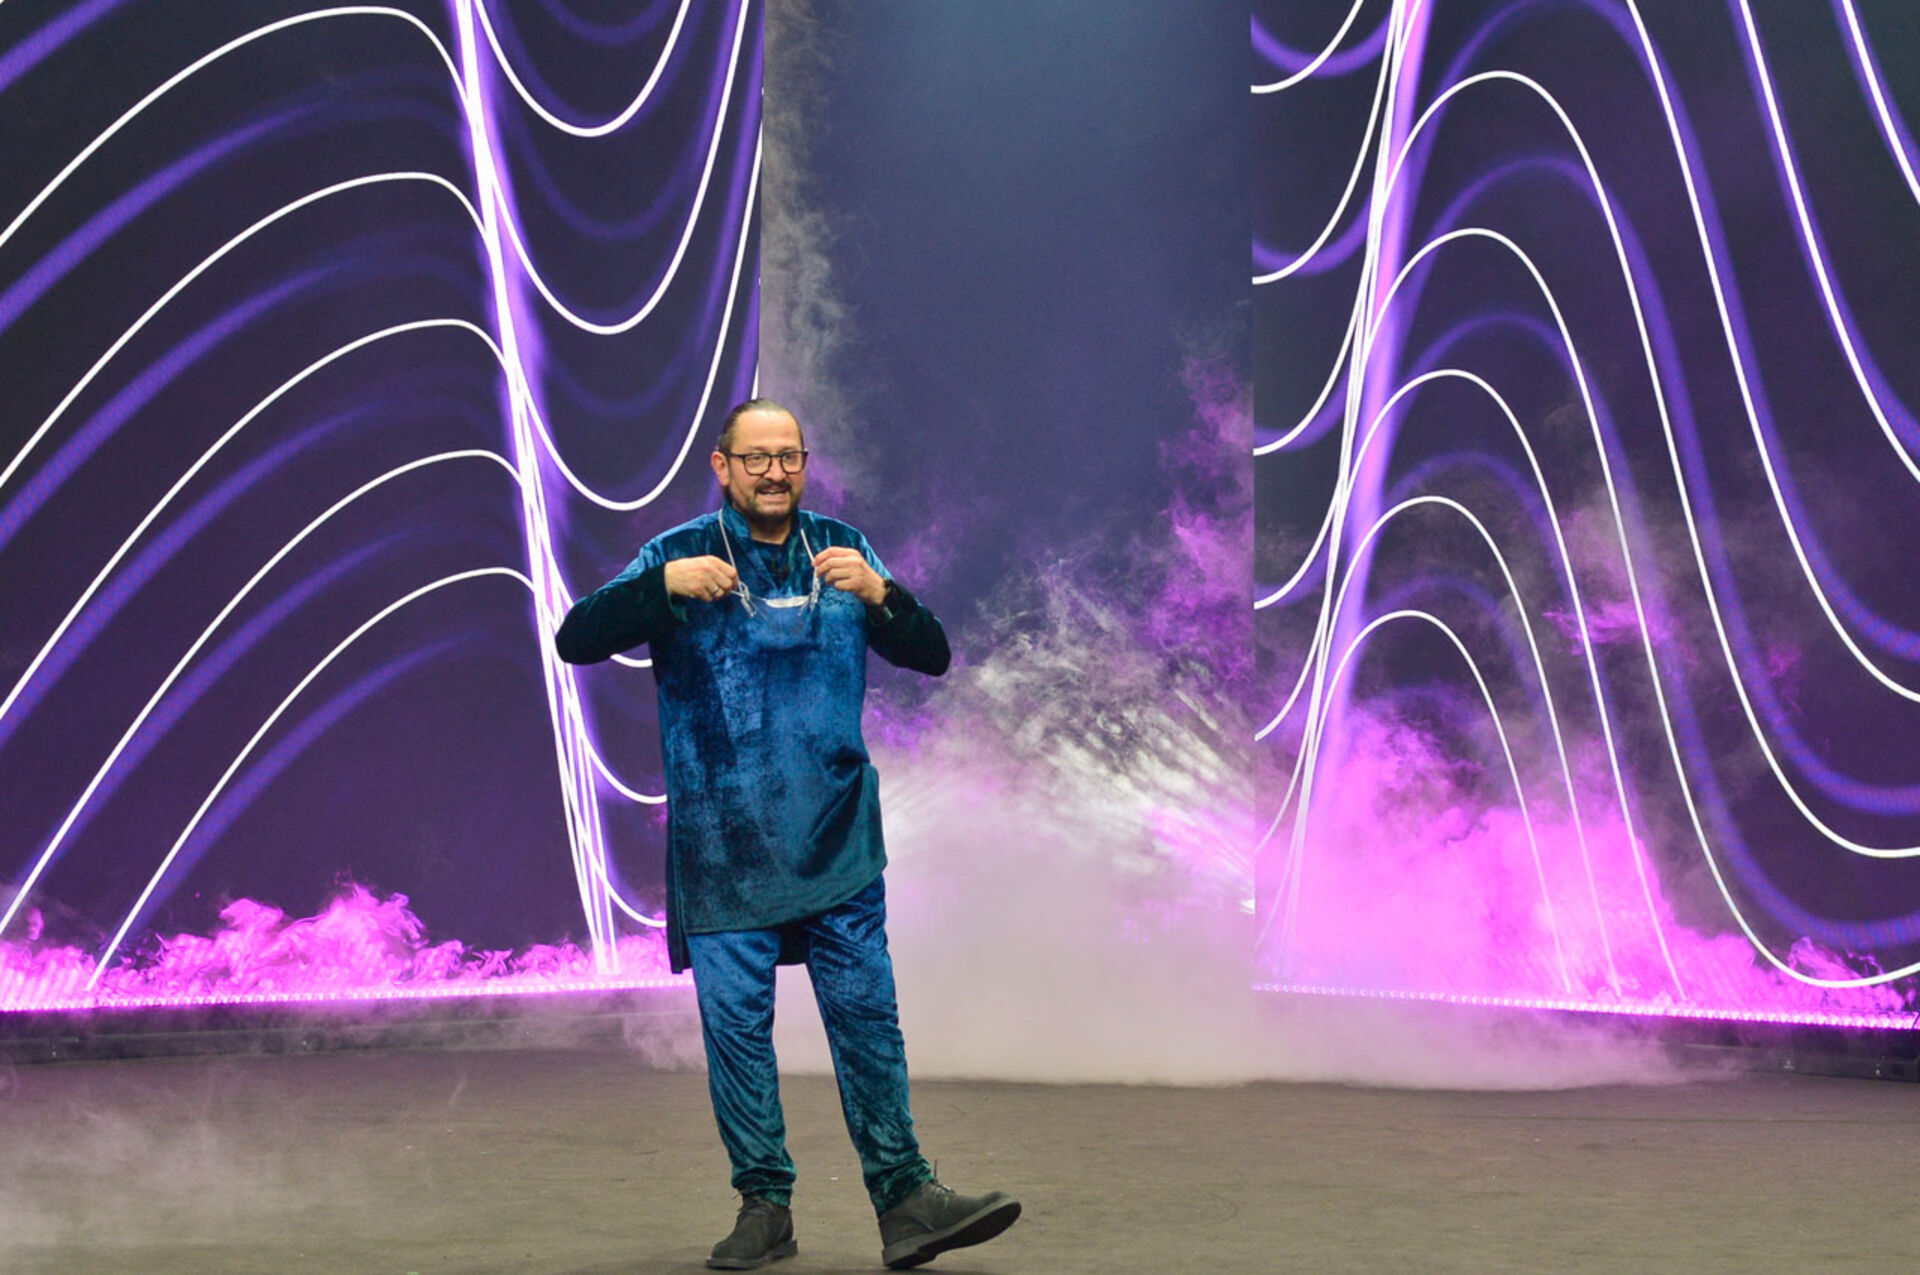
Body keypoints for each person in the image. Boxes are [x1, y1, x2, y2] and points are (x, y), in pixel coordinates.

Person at [554, 399, 1020, 1270]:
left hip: (838, 840)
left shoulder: (842, 547)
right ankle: (765, 1206)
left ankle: (907, 1198)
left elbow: (932, 652)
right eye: (756, 457)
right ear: (723, 466)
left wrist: (881, 595)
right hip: (723, 850)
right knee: (738, 1036)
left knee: (869, 1023)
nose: (774, 472)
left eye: (789, 456)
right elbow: (575, 636)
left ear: (804, 463)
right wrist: (662, 588)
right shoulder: (678, 552)